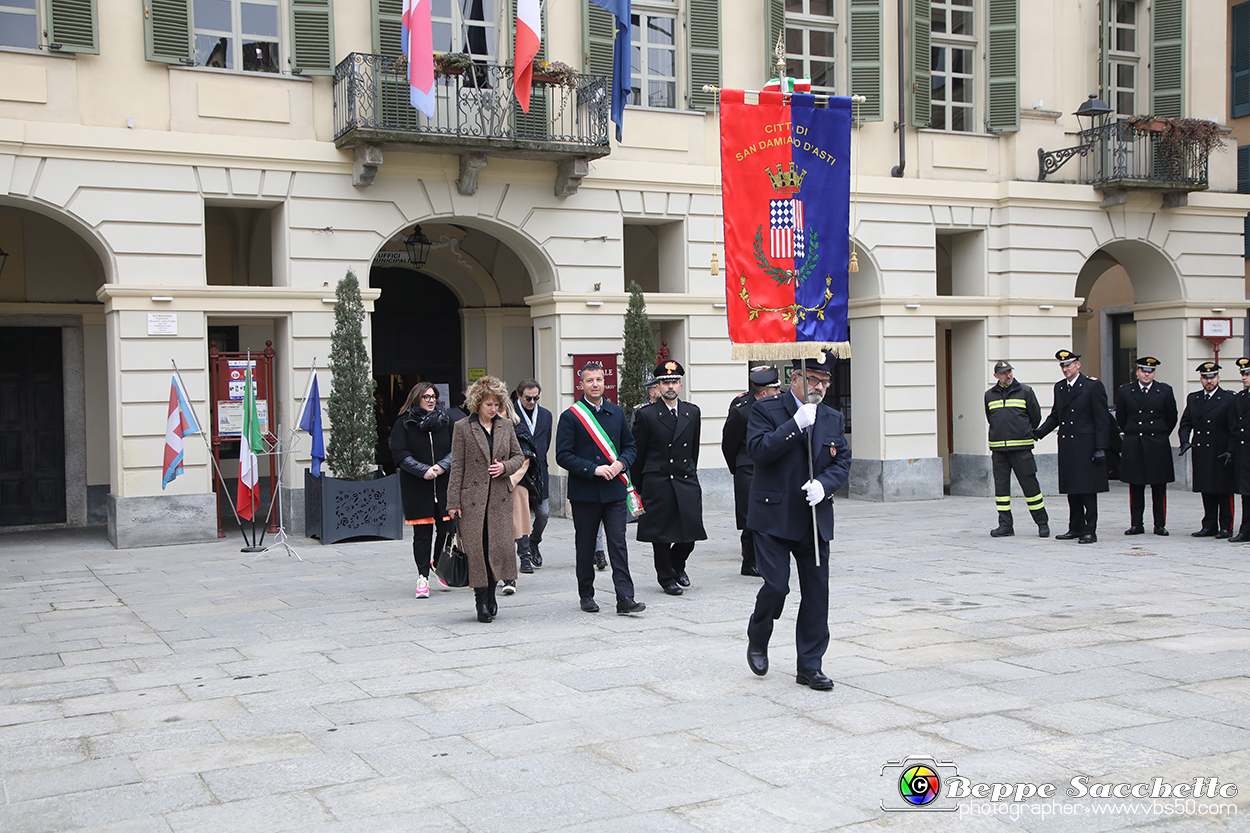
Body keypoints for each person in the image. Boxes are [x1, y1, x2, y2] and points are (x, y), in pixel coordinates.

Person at [745, 352, 851, 691]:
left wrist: (825, 485)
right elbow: (758, 451)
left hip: (813, 517)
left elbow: (842, 461)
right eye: (813, 380)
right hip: (773, 515)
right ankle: (759, 633)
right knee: (777, 586)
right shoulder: (766, 409)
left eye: (824, 381)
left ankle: (809, 665)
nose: (819, 387)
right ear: (795, 379)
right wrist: (795, 425)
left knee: (817, 595)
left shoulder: (832, 417)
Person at [555, 361, 645, 615]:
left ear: (604, 383)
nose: (595, 384)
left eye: (599, 380)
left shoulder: (616, 413)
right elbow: (562, 455)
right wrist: (592, 469)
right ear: (581, 384)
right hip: (585, 492)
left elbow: (630, 446)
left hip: (614, 490)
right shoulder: (571, 416)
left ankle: (625, 597)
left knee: (618, 544)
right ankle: (587, 595)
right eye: (590, 380)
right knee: (585, 547)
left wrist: (620, 464)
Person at [446, 376, 526, 623]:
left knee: (498, 548)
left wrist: (504, 467)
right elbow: (457, 464)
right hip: (472, 500)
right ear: (477, 403)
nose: (493, 409)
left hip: (500, 499)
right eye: (489, 404)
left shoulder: (505, 426)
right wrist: (453, 502)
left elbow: (519, 456)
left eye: (496, 404)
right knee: (477, 550)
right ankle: (481, 600)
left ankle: (492, 594)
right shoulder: (462, 427)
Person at [631, 359, 707, 595]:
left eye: (674, 381)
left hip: (685, 478)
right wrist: (638, 487)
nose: (670, 386)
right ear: (658, 386)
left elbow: (693, 448)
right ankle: (666, 577)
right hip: (658, 480)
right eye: (665, 382)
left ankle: (677, 565)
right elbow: (638, 453)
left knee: (691, 534)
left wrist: (691, 473)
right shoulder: (646, 415)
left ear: (680, 385)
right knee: (661, 535)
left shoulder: (692, 412)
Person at [1035, 350, 1110, 544]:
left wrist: (1101, 446)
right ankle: (1075, 527)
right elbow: (1055, 416)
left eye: (1068, 365)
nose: (1065, 369)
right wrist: (1039, 433)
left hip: (1086, 445)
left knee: (1087, 490)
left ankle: (1090, 530)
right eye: (1062, 365)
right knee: (1072, 489)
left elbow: (1102, 419)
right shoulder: (1060, 388)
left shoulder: (1092, 386)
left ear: (1078, 365)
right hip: (1068, 444)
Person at [389, 382, 453, 599]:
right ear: (416, 398)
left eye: (433, 396)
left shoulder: (446, 421)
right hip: (418, 486)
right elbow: (400, 453)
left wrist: (443, 466)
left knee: (447, 530)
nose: (431, 400)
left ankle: (437, 562)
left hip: (444, 485)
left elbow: (456, 449)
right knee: (422, 534)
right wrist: (423, 470)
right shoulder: (404, 424)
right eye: (426, 396)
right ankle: (422, 576)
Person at [721, 365, 781, 576]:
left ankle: (766, 555)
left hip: (771, 468)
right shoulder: (741, 409)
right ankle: (750, 562)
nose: (778, 393)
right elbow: (729, 443)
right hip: (749, 468)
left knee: (771, 514)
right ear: (763, 393)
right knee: (750, 517)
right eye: (775, 389)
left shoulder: (777, 407)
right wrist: (738, 468)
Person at [984, 360, 1049, 538]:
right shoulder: (989, 395)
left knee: (1031, 488)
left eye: (1010, 371)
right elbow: (991, 418)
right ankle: (1005, 525)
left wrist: (1023, 432)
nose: (1009, 375)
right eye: (1004, 373)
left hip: (1021, 449)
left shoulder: (1025, 392)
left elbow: (1035, 417)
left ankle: (1042, 523)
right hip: (999, 451)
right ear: (996, 376)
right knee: (1002, 491)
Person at [1115, 356, 1177, 536]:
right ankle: (1136, 524)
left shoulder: (1164, 391)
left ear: (1154, 373)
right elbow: (1121, 417)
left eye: (1150, 371)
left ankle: (1160, 524)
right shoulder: (1126, 391)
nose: (1146, 374)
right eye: (1143, 371)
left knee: (1159, 487)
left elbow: (1171, 417)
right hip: (1135, 442)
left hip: (1157, 443)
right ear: (1137, 372)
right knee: (1136, 486)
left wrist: (1160, 433)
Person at [1179, 361, 1235, 538]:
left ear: (1218, 378)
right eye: (1205, 377)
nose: (1209, 381)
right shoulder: (1194, 398)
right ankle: (1209, 525)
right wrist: (1184, 441)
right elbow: (1185, 423)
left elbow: (1234, 428)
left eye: (1212, 377)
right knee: (1207, 489)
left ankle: (1226, 526)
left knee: (1223, 490)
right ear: (1201, 379)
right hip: (1202, 450)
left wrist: (1232, 450)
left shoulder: (1229, 399)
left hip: (1221, 451)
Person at [512, 379, 552, 567]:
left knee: (543, 513)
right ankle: (524, 554)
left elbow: (546, 441)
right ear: (519, 396)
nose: (533, 402)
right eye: (528, 398)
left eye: (536, 397)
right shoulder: (510, 415)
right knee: (521, 515)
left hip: (540, 470)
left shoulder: (546, 415)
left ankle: (534, 543)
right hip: (519, 471)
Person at [504, 396, 543, 580]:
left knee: (520, 521)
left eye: (500, 408)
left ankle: (525, 555)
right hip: (491, 484)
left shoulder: (517, 429)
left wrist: (511, 481)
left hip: (517, 482)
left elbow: (526, 458)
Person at [1227, 358, 1250, 542]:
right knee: (1246, 493)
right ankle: (1246, 530)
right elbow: (1234, 427)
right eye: (1243, 374)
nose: (1244, 377)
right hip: (1244, 452)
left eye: (1248, 374)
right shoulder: (1240, 398)